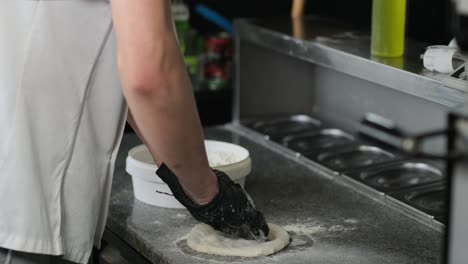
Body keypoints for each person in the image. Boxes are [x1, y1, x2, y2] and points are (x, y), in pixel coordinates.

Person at [0, 1, 268, 264]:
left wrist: (179, 173)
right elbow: (150, 77)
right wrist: (210, 194)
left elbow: (118, 64)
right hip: (24, 212)